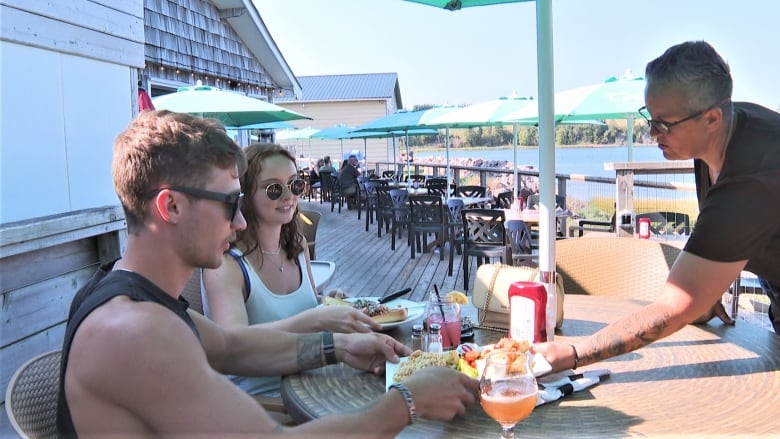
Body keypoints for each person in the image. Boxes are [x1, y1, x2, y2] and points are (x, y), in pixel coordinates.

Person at [56, 110, 478, 437]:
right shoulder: (133, 331)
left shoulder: (132, 295)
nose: (240, 222)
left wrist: (338, 346)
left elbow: (231, 346)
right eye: (228, 204)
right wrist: (407, 402)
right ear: (171, 207)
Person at [533, 41, 780, 375]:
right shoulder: (720, 134)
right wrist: (707, 286)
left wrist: (574, 352)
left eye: (664, 124)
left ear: (712, 118)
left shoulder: (750, 176)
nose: (652, 133)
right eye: (649, 118)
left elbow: (674, 306)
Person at [202, 143, 381, 397]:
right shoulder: (227, 265)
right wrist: (317, 319)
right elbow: (233, 344)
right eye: (274, 188)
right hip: (263, 404)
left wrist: (328, 304)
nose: (289, 196)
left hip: (317, 383)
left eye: (295, 184)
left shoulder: (297, 248)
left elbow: (305, 311)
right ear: (246, 195)